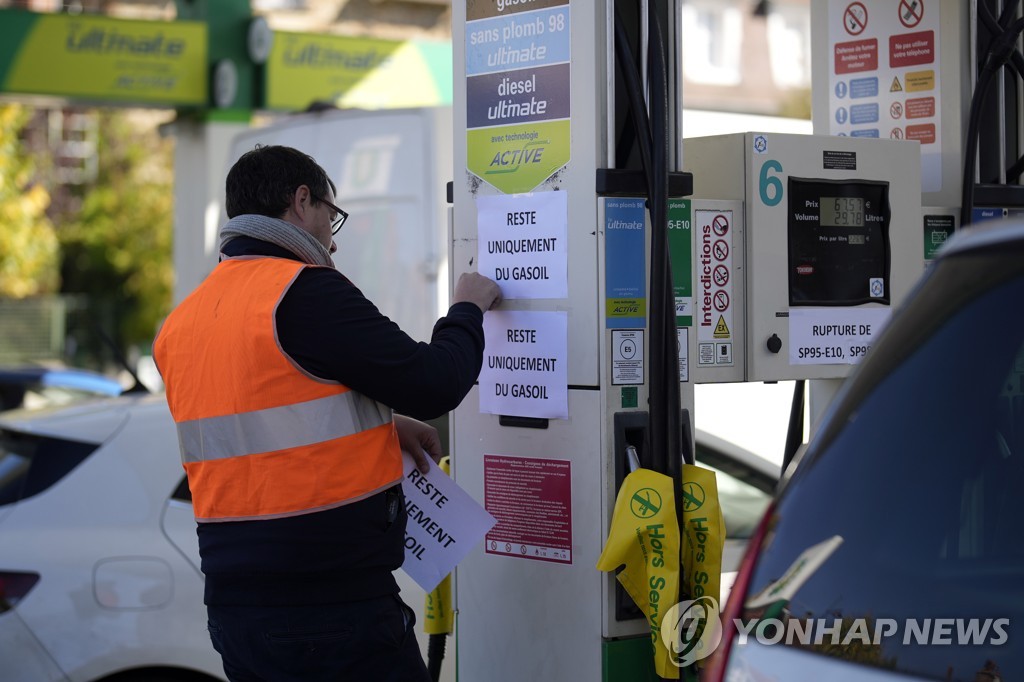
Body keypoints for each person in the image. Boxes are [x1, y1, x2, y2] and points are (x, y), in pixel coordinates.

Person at [153, 145, 501, 681]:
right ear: (300, 201)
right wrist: (467, 310)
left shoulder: (183, 323)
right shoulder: (302, 292)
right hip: (330, 610)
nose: (332, 238)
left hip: (235, 614)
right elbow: (435, 382)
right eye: (329, 216)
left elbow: (267, 422)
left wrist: (383, 425)